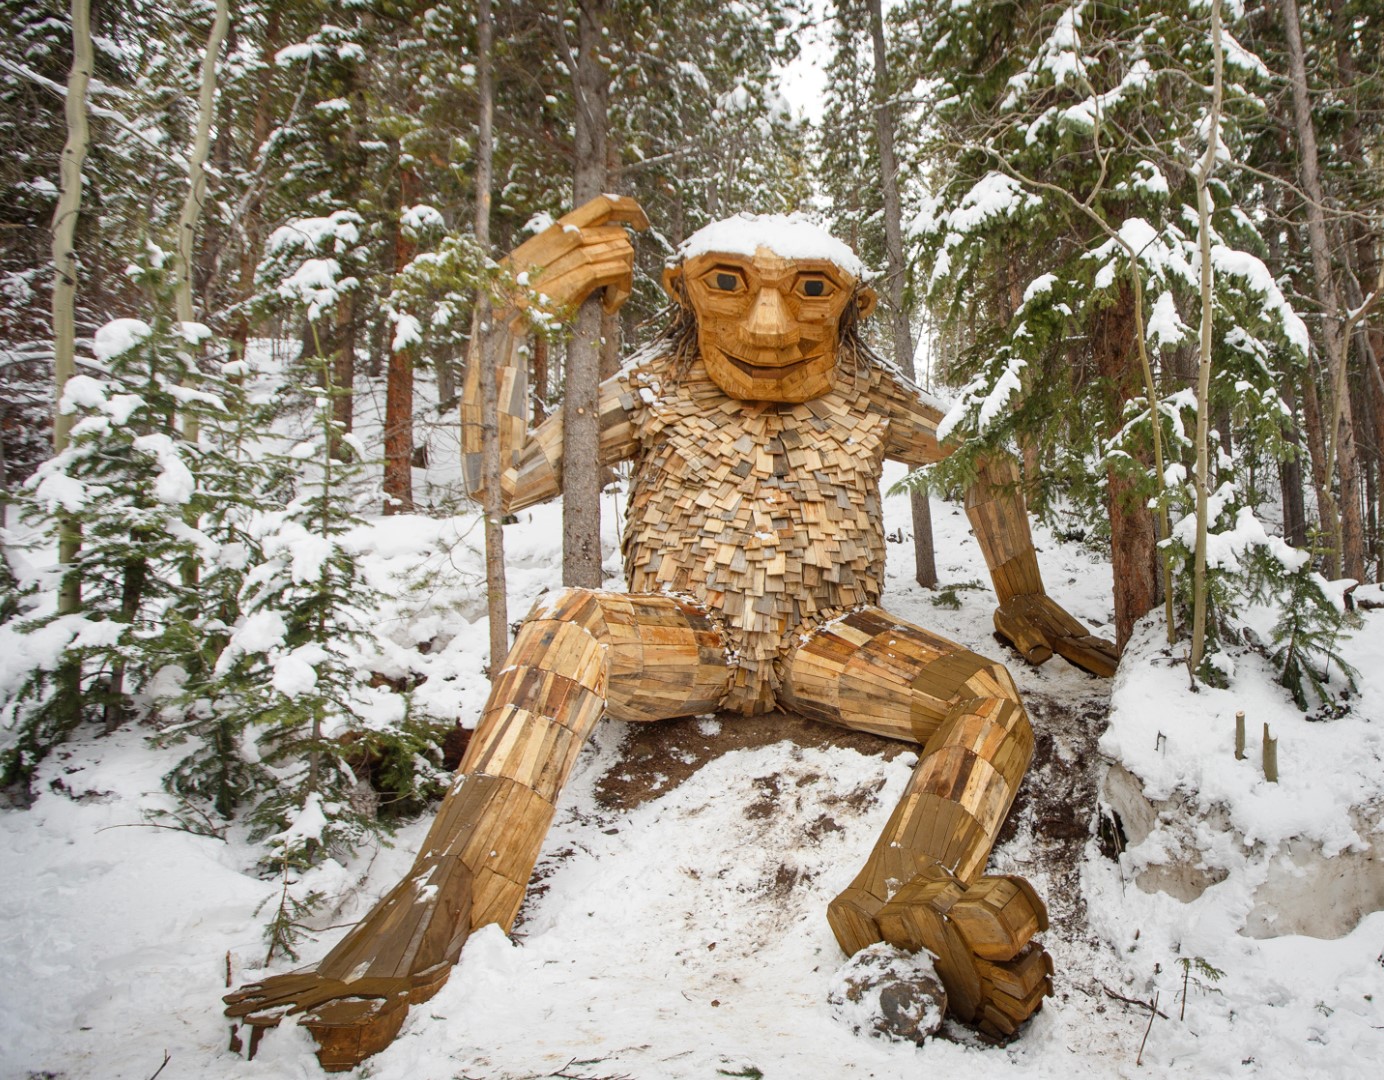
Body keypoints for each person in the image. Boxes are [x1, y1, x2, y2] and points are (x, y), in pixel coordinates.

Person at [223, 197, 1115, 1071]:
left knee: (985, 698)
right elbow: (500, 482)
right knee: (566, 628)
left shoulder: (870, 392)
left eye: (810, 291)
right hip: (688, 635)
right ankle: (435, 915)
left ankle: (905, 895)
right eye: (729, 285)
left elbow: (986, 451)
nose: (769, 327)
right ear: (683, 291)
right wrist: (508, 317)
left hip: (833, 639)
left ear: (854, 304)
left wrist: (1024, 595)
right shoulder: (652, 387)